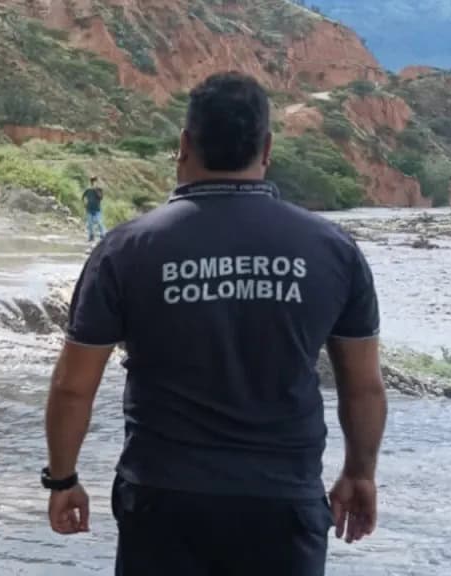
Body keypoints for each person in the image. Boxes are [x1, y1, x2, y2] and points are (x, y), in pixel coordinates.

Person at [42, 72, 387, 576]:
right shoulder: (333, 250)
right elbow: (364, 387)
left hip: (163, 499)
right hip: (282, 501)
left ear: (184, 145)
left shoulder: (126, 249)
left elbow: (73, 386)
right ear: (266, 149)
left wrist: (63, 479)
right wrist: (360, 472)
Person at [82, 177, 106, 242]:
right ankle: (91, 236)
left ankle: (103, 235)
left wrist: (95, 190)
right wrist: (85, 204)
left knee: (99, 222)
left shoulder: (99, 190)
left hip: (97, 209)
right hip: (89, 209)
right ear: (92, 183)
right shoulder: (88, 190)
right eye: (93, 182)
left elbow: (100, 197)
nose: (95, 183)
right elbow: (83, 197)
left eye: (96, 182)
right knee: (90, 224)